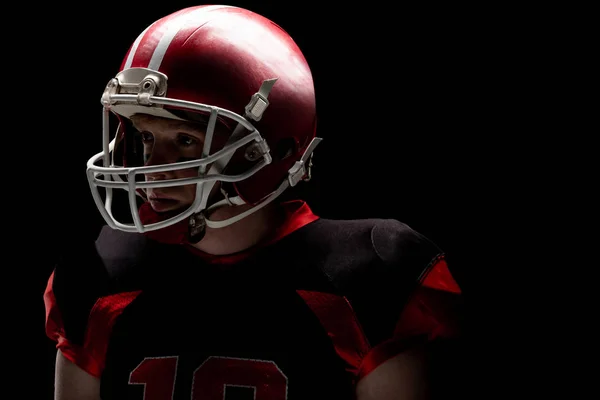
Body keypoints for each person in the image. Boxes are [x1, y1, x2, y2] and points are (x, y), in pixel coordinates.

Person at [44, 4, 464, 400]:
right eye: (148, 137)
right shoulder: (101, 273)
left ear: (267, 147)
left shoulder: (366, 274)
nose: (155, 167)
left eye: (186, 140)